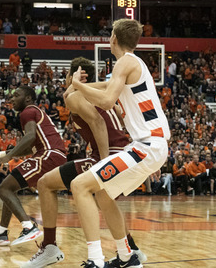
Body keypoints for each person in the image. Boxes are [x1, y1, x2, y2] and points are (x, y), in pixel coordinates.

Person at [22, 57, 146, 267]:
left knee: (45, 184)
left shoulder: (75, 96)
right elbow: (118, 118)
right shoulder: (102, 95)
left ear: (75, 76)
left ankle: (50, 246)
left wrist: (104, 161)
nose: (65, 80)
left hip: (109, 154)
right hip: (125, 151)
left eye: (67, 76)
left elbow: (97, 122)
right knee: (105, 200)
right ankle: (131, 249)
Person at [68, 19, 170, 267]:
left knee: (79, 186)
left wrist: (77, 84)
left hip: (147, 145)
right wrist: (76, 89)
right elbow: (105, 87)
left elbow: (106, 100)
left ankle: (95, 260)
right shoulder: (132, 64)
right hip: (150, 146)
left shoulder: (125, 62)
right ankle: (127, 256)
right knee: (103, 194)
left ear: (113, 38)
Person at [0, 85, 66, 246]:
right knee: (9, 188)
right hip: (52, 155)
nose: (11, 99)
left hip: (49, 155)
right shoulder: (35, 113)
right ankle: (1, 233)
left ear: (28, 99)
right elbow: (27, 147)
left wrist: (9, 157)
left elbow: (30, 137)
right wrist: (1, 155)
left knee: (3, 189)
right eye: (11, 96)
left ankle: (29, 227)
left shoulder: (28, 111)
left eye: (16, 95)